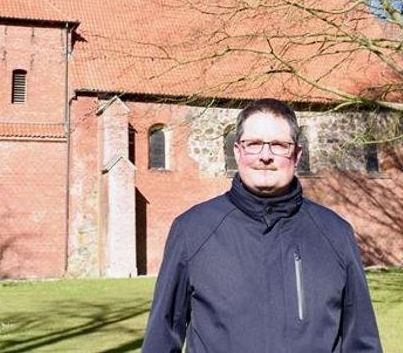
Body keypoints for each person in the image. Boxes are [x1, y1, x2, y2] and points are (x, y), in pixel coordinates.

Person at [142, 98, 382, 352]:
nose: (265, 156)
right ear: (237, 151)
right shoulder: (192, 231)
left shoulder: (335, 233)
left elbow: (362, 343)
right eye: (254, 144)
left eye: (279, 145)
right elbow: (161, 341)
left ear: (297, 154)